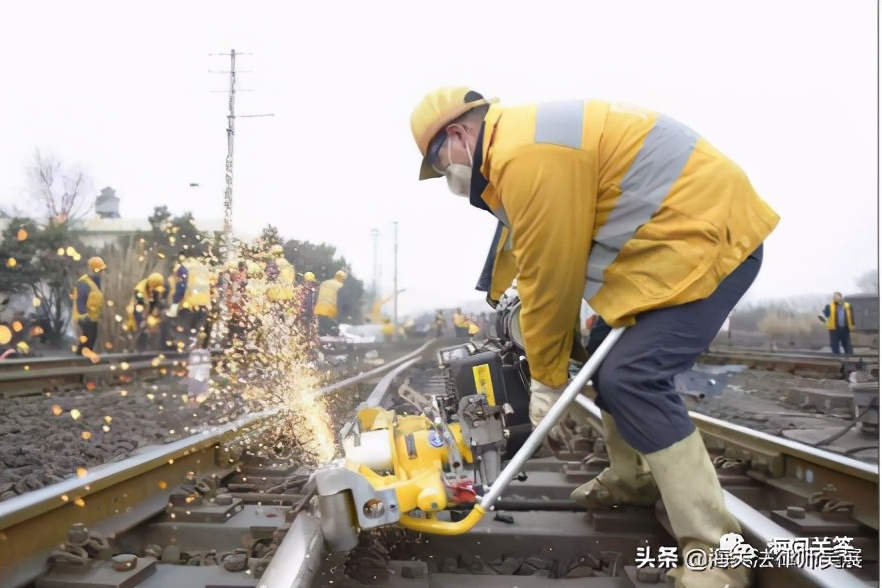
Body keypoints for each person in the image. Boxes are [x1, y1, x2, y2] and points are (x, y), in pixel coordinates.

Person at [410, 87, 780, 588]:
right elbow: (532, 254)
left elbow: (553, 277)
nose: (446, 177)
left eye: (439, 163)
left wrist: (544, 379)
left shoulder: (525, 156)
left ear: (456, 135)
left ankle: (719, 554)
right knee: (606, 366)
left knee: (633, 378)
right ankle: (634, 479)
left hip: (707, 240)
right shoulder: (518, 145)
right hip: (665, 251)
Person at [168, 251, 212, 350]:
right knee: (194, 335)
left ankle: (181, 360)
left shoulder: (184, 267)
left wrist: (174, 304)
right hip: (204, 306)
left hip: (189, 306)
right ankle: (195, 358)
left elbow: (181, 286)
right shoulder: (202, 268)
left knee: (182, 335)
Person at [72, 256, 107, 362]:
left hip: (93, 318)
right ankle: (78, 364)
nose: (100, 272)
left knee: (90, 341)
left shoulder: (96, 281)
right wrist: (84, 317)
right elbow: (81, 301)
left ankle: (82, 364)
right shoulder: (83, 283)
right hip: (85, 318)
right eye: (98, 270)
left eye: (101, 270)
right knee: (87, 341)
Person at [126, 272, 169, 351]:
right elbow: (139, 308)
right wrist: (143, 320)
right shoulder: (139, 292)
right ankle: (136, 348)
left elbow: (155, 302)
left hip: (148, 309)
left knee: (158, 323)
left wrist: (155, 311)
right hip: (138, 310)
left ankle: (157, 347)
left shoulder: (155, 288)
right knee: (141, 326)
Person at [314, 270, 347, 336]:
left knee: (322, 332)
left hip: (319, 312)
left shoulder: (324, 283)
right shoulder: (341, 286)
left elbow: (317, 296)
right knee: (335, 334)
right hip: (331, 314)